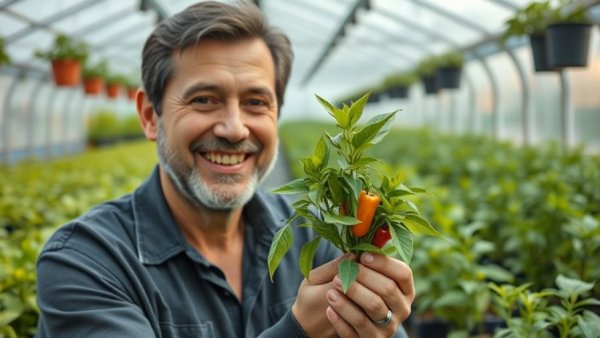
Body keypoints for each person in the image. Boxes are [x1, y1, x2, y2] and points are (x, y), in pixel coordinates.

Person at [35, 1, 415, 337]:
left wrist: (379, 322)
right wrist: (298, 332)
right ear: (151, 117)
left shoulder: (318, 237)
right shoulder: (86, 262)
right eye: (204, 100)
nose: (234, 128)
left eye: (255, 102)